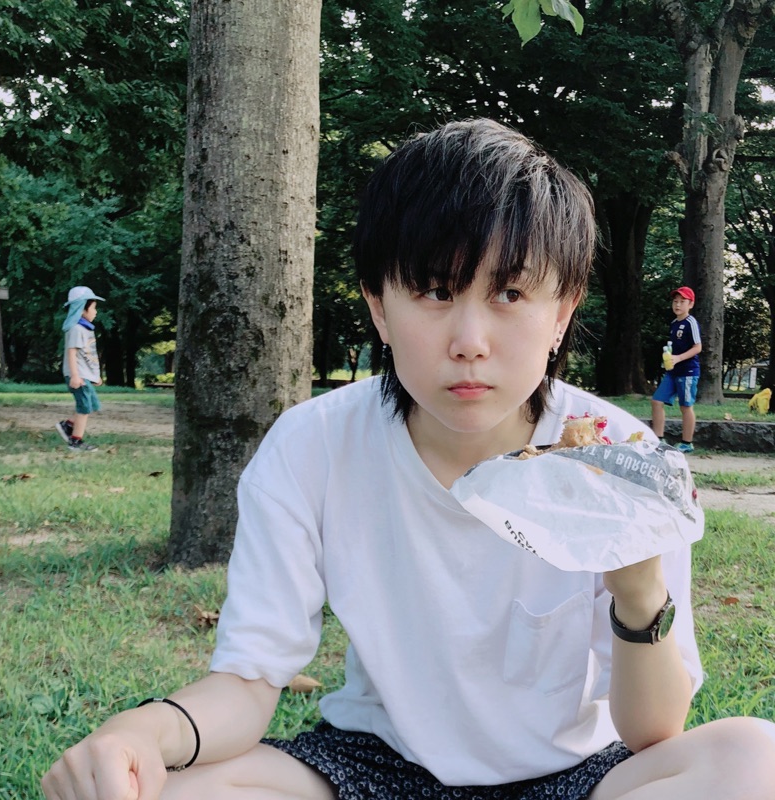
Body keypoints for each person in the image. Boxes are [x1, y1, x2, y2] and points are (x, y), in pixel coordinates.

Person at [42, 120, 775, 800]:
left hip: (572, 774)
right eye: (434, 290)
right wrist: (143, 734)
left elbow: (653, 734)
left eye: (510, 292)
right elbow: (248, 681)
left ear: (561, 311)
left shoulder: (624, 457)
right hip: (374, 767)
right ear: (379, 306)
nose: (470, 341)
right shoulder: (312, 447)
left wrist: (639, 590)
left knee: (753, 760)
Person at [650, 287, 702, 453]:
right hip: (672, 371)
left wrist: (679, 358)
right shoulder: (674, 324)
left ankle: (687, 443)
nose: (678, 305)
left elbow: (698, 347)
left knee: (685, 406)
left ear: (690, 304)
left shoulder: (690, 322)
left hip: (688, 372)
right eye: (675, 301)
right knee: (657, 401)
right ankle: (658, 439)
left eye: (682, 301)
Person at [55, 286, 105, 453]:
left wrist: (94, 376)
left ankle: (68, 425)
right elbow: (72, 353)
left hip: (84, 376)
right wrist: (75, 376)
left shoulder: (85, 328)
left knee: (91, 404)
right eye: (93, 308)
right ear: (82, 308)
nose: (96, 312)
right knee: (84, 407)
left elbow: (86, 356)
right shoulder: (76, 329)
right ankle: (76, 441)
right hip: (78, 376)